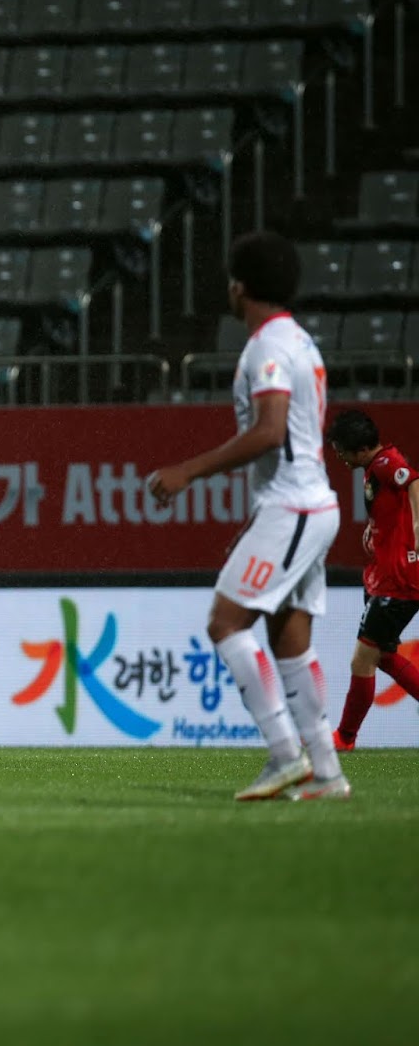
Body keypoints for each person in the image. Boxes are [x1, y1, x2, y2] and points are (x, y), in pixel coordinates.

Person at [148, 231, 347, 801]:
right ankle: (327, 771)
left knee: (225, 622)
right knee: (291, 642)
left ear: (240, 287)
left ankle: (285, 755)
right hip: (310, 505)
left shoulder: (266, 348)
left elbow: (268, 430)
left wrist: (188, 471)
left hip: (295, 506)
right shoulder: (300, 342)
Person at [325, 409, 419, 749]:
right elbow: (395, 505)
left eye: (340, 449)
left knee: (362, 659)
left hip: (397, 581)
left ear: (359, 448)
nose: (338, 456)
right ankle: (345, 737)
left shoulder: (385, 463)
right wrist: (375, 528)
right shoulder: (374, 469)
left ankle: (344, 738)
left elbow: (413, 481)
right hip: (386, 576)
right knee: (385, 655)